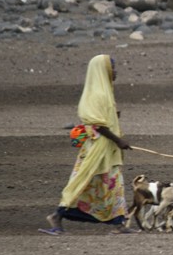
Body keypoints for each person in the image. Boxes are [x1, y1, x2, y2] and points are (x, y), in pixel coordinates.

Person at [40, 54, 133, 235]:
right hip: (97, 149)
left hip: (107, 150)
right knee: (84, 182)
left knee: (112, 184)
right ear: (102, 71)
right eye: (112, 68)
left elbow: (103, 120)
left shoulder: (104, 93)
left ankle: (119, 223)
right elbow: (97, 124)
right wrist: (118, 140)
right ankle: (57, 216)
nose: (115, 72)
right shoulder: (97, 94)